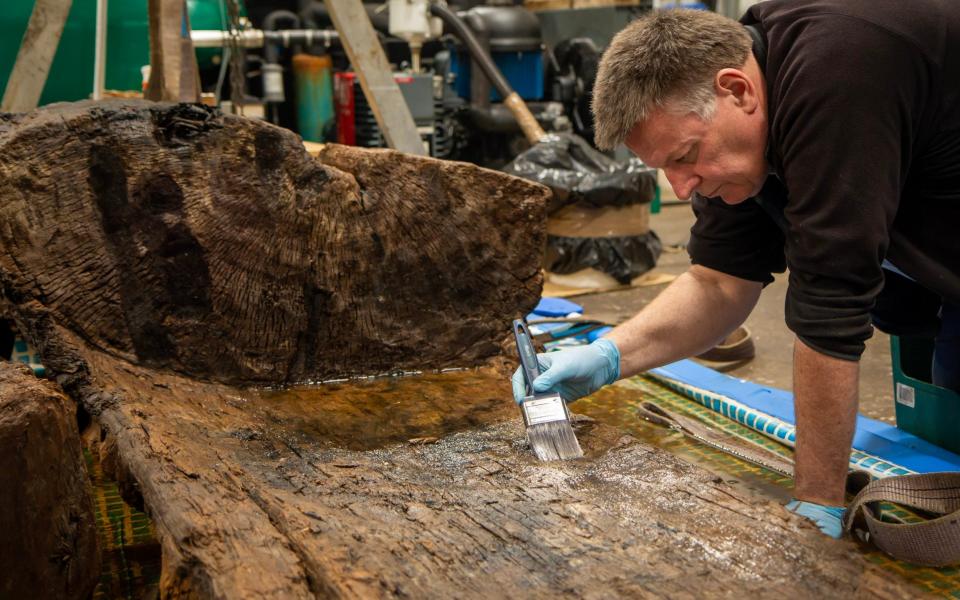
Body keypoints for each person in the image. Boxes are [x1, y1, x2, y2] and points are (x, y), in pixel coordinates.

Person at [513, 0, 960, 538]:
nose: (681, 188)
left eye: (685, 156)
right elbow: (721, 280)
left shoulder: (838, 71)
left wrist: (818, 506)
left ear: (738, 90)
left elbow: (831, 309)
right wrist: (609, 356)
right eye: (665, 170)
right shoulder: (741, 129)